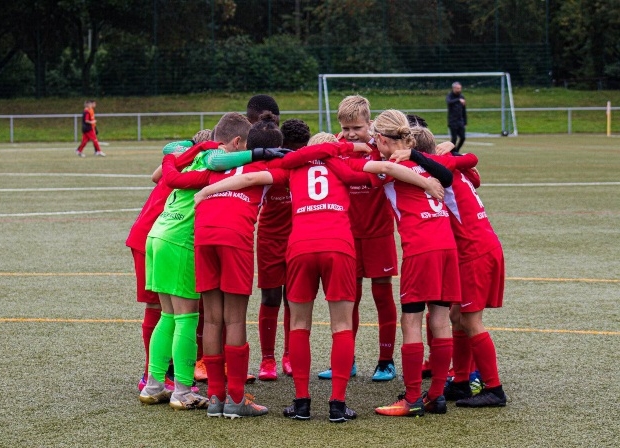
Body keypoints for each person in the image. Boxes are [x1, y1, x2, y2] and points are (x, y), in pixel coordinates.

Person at [193, 135, 445, 423]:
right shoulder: (343, 163)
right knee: (341, 325)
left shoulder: (294, 167)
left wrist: (207, 191)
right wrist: (425, 180)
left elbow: (249, 179)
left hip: (301, 246)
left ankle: (301, 402)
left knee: (300, 324)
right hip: (339, 245)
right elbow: (384, 168)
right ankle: (337, 404)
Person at [160, 112, 289, 419]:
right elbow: (253, 179)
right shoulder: (269, 166)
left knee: (212, 321)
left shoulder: (214, 164)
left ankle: (216, 397)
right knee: (234, 320)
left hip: (203, 236)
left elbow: (169, 168)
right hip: (234, 237)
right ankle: (236, 399)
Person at [403, 127, 507, 408]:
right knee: (457, 316)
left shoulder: (437, 169)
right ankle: (461, 381)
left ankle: (494, 389)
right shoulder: (449, 167)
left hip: (474, 251)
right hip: (480, 246)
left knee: (471, 321)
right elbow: (472, 167)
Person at [366, 109, 460, 418]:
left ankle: (412, 398)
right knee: (440, 320)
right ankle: (436, 395)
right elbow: (445, 174)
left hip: (421, 248)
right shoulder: (423, 162)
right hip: (446, 244)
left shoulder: (391, 165)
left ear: (382, 139)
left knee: (411, 321)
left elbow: (371, 167)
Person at [318, 95, 399, 383]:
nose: (352, 134)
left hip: (379, 233)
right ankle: (346, 360)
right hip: (346, 236)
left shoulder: (382, 148)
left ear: (370, 123)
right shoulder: (336, 148)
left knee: (382, 295)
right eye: (346, 128)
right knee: (348, 299)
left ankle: (386, 361)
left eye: (357, 128)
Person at [126, 130, 213, 395]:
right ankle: (153, 375)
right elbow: (158, 176)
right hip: (158, 237)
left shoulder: (181, 164)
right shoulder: (197, 168)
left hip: (154, 235)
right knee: (161, 308)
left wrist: (187, 149)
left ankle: (168, 372)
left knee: (174, 309)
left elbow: (156, 175)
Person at [256, 118, 311, 381]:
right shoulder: (269, 167)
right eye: (291, 149)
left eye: (302, 149)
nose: (296, 155)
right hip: (269, 238)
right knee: (270, 297)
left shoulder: (309, 165)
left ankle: (290, 355)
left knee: (294, 297)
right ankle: (268, 358)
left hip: (299, 238)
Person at [446, 82, 467, 154]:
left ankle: (456, 151)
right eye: (457, 88)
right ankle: (452, 152)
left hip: (460, 121)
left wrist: (465, 121)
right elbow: (449, 102)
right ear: (453, 88)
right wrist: (458, 100)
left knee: (463, 137)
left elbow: (464, 110)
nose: (459, 90)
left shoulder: (462, 97)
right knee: (454, 138)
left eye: (460, 88)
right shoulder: (450, 96)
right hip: (453, 121)